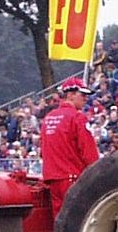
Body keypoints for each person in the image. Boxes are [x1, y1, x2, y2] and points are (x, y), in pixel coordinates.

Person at [41, 77, 100, 218]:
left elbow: (43, 150)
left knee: (59, 221)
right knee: (78, 220)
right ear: (71, 95)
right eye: (82, 95)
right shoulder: (77, 117)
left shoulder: (48, 118)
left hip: (52, 179)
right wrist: (97, 172)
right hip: (73, 178)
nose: (86, 99)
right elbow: (88, 152)